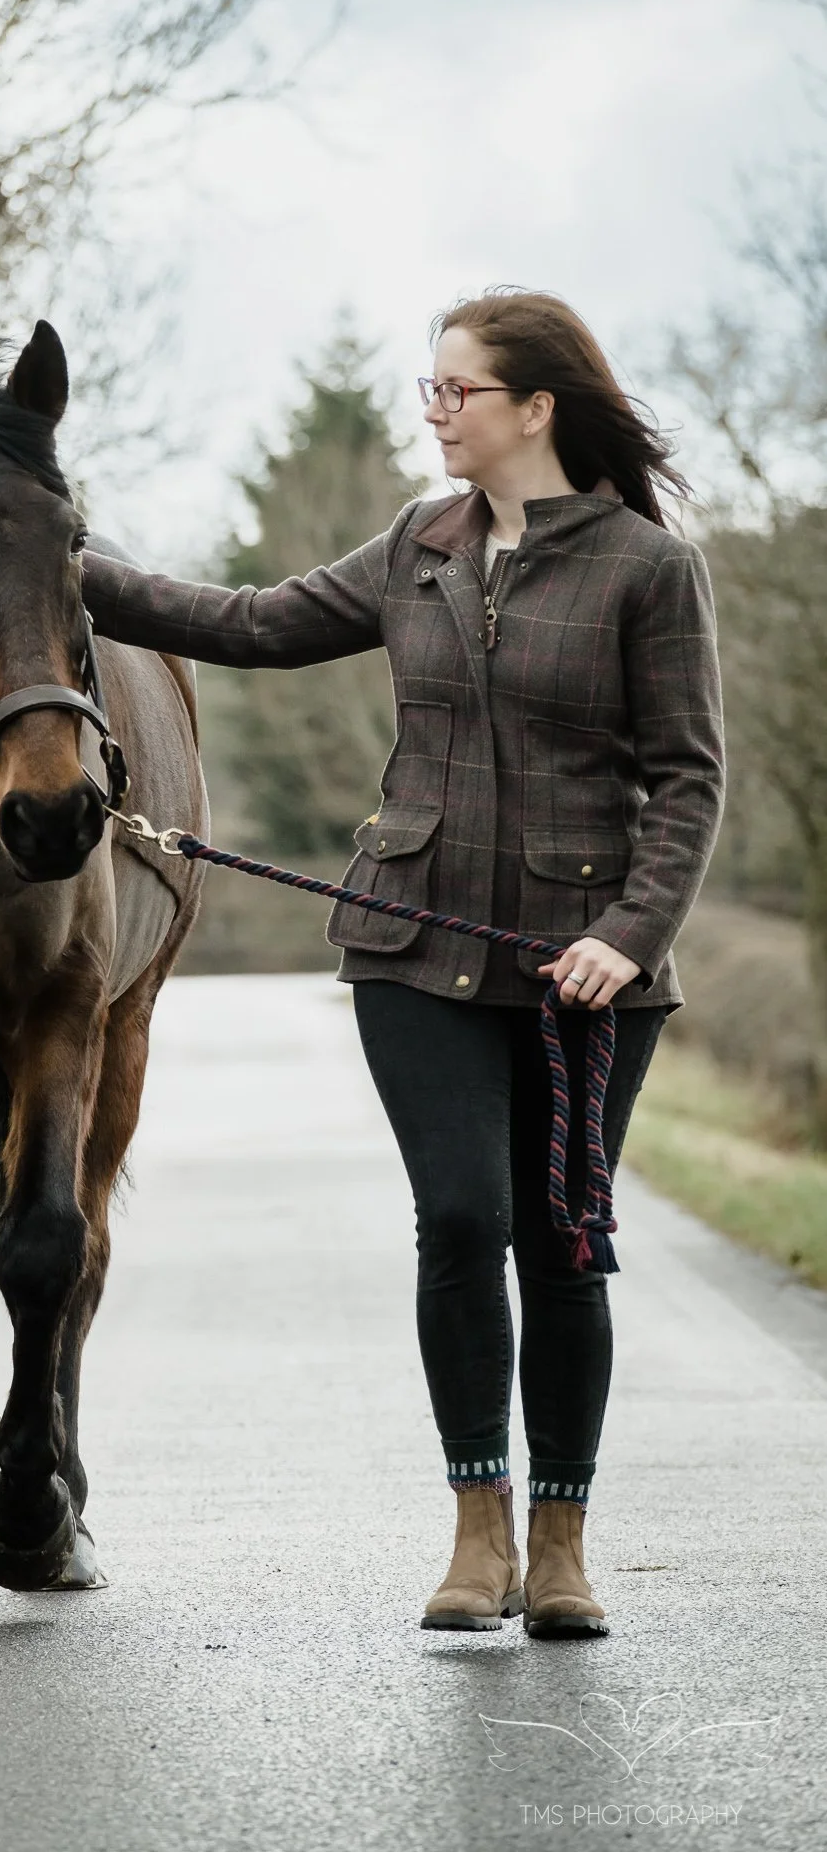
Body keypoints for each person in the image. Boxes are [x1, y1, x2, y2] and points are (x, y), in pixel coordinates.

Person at [81, 288, 724, 1639]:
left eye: (457, 390)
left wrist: (629, 934)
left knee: (563, 1244)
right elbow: (251, 621)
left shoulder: (646, 572)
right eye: (429, 387)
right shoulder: (416, 547)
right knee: (463, 1222)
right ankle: (475, 1530)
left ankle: (561, 1549)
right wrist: (64, 567)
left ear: (534, 408)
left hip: (584, 969)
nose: (433, 409)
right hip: (411, 943)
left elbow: (687, 780)